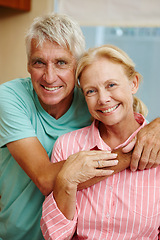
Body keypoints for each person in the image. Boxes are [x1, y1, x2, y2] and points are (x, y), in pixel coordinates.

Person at [0, 13, 160, 240]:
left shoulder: (93, 102)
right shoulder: (9, 98)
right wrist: (136, 154)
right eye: (39, 62)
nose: (49, 76)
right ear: (28, 65)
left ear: (76, 68)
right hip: (18, 235)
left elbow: (127, 113)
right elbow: (46, 179)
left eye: (61, 62)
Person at [41, 44, 160, 239]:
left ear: (134, 83)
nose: (103, 99)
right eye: (91, 91)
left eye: (111, 85)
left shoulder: (157, 146)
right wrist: (66, 181)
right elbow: (55, 235)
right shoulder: (67, 146)